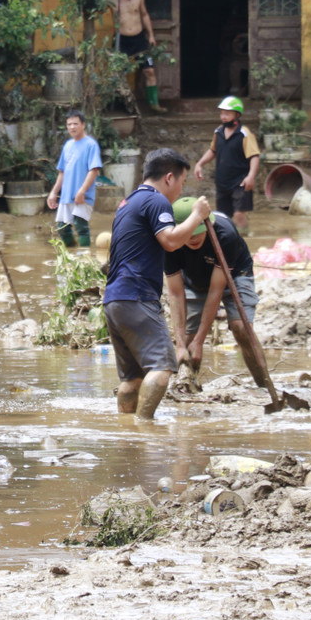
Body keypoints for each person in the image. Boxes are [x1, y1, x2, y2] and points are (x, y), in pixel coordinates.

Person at [103, 148, 210, 422]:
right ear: (170, 177)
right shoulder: (156, 201)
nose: (180, 190)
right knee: (162, 368)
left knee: (132, 378)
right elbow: (171, 240)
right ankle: (143, 429)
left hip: (114, 299)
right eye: (183, 183)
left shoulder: (127, 203)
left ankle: (126, 432)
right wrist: (197, 215)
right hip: (137, 295)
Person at [164, 196, 272, 391]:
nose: (193, 238)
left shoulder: (224, 234)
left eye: (198, 233)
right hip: (194, 276)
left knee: (241, 329)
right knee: (187, 341)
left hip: (235, 273)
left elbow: (216, 291)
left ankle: (265, 386)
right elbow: (175, 294)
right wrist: (181, 344)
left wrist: (200, 341)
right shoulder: (169, 242)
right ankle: (186, 387)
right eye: (188, 234)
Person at [192, 96, 261, 233]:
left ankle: (244, 237)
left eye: (227, 114)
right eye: (222, 113)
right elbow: (213, 150)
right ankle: (228, 242)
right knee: (223, 217)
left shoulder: (244, 133)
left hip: (240, 182)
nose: (223, 117)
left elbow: (254, 156)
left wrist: (251, 176)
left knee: (239, 214)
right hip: (222, 181)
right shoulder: (218, 132)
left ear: (237, 114)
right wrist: (200, 164)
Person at [46, 109, 103, 247]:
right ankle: (71, 255)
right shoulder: (68, 145)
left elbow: (94, 170)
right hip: (66, 195)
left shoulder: (91, 144)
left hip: (82, 195)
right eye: (69, 124)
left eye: (75, 124)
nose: (72, 127)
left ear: (83, 125)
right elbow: (62, 172)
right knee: (63, 228)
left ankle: (85, 258)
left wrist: (82, 191)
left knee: (80, 225)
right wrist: (53, 193)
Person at [115, 0, 165, 114]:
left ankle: (154, 104)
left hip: (139, 40)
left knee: (149, 70)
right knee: (119, 73)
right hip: (121, 41)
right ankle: (123, 105)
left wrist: (151, 35)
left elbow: (144, 15)